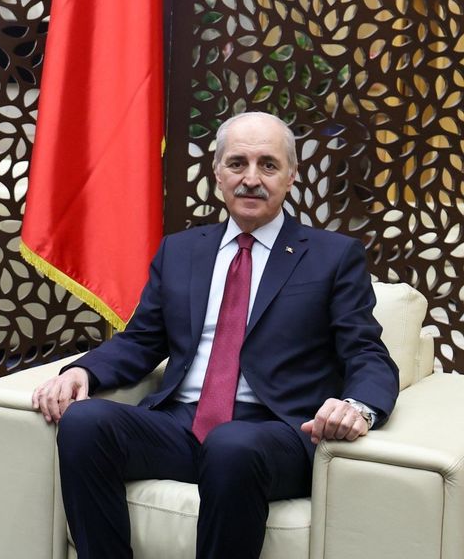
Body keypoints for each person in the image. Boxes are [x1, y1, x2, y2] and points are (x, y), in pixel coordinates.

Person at [31, 111, 399, 559]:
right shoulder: (181, 250)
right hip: (181, 425)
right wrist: (83, 372)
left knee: (231, 443)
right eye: (237, 163)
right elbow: (143, 339)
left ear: (291, 176)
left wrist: (358, 406)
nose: (251, 179)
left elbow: (366, 351)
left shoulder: (333, 256)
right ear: (218, 172)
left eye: (268, 165)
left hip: (274, 433)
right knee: (84, 422)